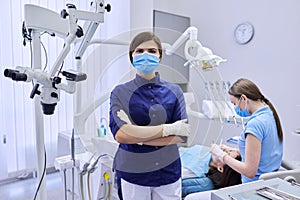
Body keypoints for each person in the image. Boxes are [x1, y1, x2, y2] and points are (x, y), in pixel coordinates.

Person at [109, 31, 190, 200]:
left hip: (168, 172)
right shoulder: (120, 92)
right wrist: (168, 129)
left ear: (160, 56)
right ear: (132, 57)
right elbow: (121, 135)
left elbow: (181, 135)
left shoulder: (174, 91)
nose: (146, 55)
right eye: (139, 51)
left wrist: (137, 136)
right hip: (133, 173)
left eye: (152, 51)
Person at [211, 78, 283, 183]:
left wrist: (222, 156)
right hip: (270, 183)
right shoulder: (269, 114)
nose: (235, 108)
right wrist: (236, 151)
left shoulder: (255, 124)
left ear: (243, 99)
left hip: (253, 188)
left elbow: (249, 171)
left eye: (234, 104)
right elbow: (265, 151)